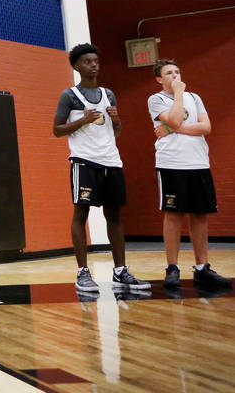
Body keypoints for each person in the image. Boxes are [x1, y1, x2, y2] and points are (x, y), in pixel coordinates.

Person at [52, 43, 149, 295]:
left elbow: (116, 131)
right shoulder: (69, 95)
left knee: (115, 216)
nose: (93, 64)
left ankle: (120, 270)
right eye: (87, 61)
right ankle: (83, 272)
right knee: (80, 213)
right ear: (76, 66)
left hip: (111, 161)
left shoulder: (109, 94)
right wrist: (82, 120)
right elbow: (56, 130)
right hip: (84, 161)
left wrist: (116, 120)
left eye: (96, 60)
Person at [148, 59, 232, 290]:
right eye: (169, 73)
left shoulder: (195, 98)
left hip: (198, 162)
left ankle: (202, 268)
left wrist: (173, 129)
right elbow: (174, 117)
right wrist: (177, 95)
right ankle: (172, 267)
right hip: (172, 163)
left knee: (200, 214)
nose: (175, 76)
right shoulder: (156, 100)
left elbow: (206, 127)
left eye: (177, 71)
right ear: (159, 79)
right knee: (174, 215)